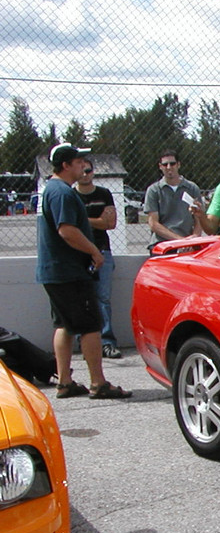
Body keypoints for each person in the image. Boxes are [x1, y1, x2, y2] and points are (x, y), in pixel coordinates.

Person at [36, 143, 131, 399]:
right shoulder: (63, 193)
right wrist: (94, 251)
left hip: (55, 272)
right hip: (69, 273)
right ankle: (98, 383)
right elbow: (66, 230)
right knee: (90, 325)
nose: (84, 166)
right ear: (66, 165)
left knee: (65, 325)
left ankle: (65, 382)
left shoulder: (53, 190)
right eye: (79, 162)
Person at [74, 158, 121, 358]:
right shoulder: (70, 195)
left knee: (103, 298)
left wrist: (82, 220)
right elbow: (68, 226)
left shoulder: (103, 194)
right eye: (82, 170)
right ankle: (86, 344)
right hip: (76, 253)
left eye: (89, 170)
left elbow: (110, 223)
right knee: (80, 299)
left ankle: (107, 341)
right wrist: (96, 221)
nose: (85, 174)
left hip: (102, 250)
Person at [144, 149, 203, 250]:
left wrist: (194, 240)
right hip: (162, 244)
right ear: (160, 166)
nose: (169, 167)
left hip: (188, 244)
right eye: (165, 164)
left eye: (172, 164)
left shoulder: (192, 188)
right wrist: (180, 241)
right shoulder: (153, 190)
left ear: (178, 165)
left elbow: (199, 219)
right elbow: (153, 223)